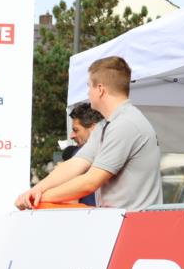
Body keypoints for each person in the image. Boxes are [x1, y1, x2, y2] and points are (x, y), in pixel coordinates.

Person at [15, 56, 163, 211]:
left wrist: (39, 198)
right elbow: (76, 164)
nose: (88, 93)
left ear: (100, 89)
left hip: (135, 225)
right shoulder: (107, 124)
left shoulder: (125, 124)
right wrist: (37, 190)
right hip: (121, 221)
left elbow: (91, 181)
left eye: (89, 87)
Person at [64, 101, 104, 207]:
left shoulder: (80, 154)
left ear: (93, 128)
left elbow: (71, 199)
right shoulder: (113, 148)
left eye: (76, 130)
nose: (72, 136)